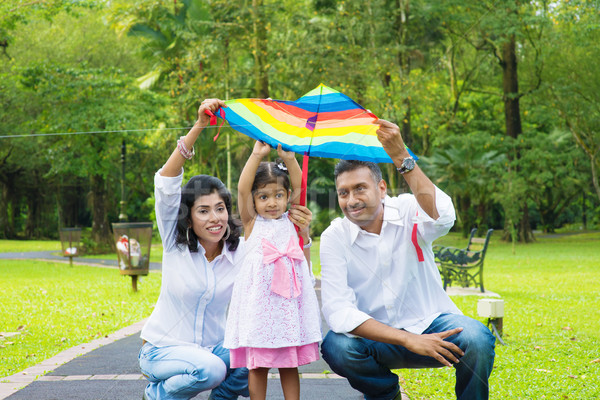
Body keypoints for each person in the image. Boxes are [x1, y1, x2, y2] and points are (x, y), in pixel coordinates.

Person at [138, 98, 313, 400]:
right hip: (164, 350)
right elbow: (166, 183)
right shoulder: (173, 243)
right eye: (203, 211)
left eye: (220, 208)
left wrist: (305, 233)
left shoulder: (244, 250)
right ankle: (157, 395)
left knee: (250, 350)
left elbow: (292, 254)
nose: (215, 218)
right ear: (188, 217)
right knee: (212, 370)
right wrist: (200, 126)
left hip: (215, 350)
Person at [319, 118, 496, 400]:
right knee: (336, 346)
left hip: (431, 326)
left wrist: (402, 156)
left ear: (381, 188)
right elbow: (339, 312)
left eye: (360, 188)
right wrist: (407, 339)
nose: (351, 200)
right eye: (343, 193)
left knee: (476, 339)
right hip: (377, 340)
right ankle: (388, 394)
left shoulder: (409, 210)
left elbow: (444, 216)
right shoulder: (334, 236)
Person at [224, 141, 322, 400]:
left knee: (289, 364)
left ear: (288, 196)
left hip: (288, 309)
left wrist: (290, 160)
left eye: (279, 195)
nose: (272, 202)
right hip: (260, 311)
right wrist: (256, 155)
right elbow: (242, 189)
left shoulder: (293, 219)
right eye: (263, 196)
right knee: (258, 365)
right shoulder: (251, 223)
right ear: (254, 200)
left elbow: (300, 186)